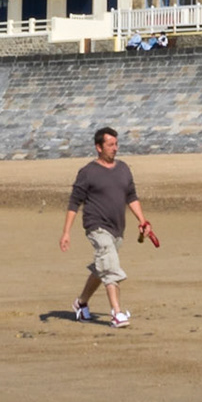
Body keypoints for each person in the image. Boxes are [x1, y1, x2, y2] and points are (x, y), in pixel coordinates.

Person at [59, 127, 153, 328]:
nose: (115, 148)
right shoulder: (88, 172)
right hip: (96, 226)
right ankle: (117, 314)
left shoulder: (123, 169)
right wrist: (66, 232)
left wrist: (142, 220)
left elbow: (131, 196)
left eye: (116, 144)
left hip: (117, 228)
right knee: (110, 268)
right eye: (110, 145)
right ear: (99, 147)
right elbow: (74, 203)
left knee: (101, 266)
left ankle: (81, 303)